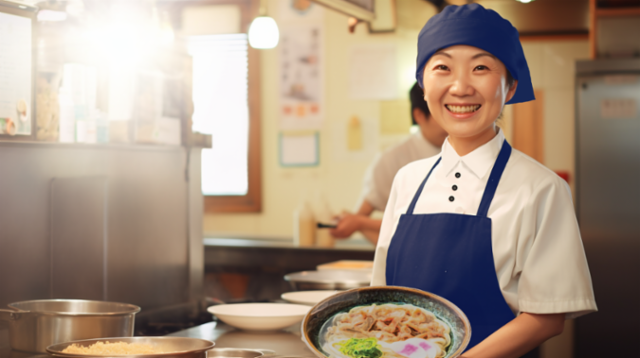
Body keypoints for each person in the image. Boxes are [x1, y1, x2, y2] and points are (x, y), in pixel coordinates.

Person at [371, 4, 597, 358]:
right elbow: (382, 297)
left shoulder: (541, 189)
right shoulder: (407, 180)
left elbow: (546, 317)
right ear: (423, 84)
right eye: (442, 67)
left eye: (480, 68)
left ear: (509, 88)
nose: (460, 87)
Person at [329, 83, 448, 245]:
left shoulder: (471, 152)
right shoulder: (393, 159)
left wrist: (358, 222)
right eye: (440, 111)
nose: (449, 119)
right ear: (419, 115)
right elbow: (360, 217)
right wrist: (356, 222)